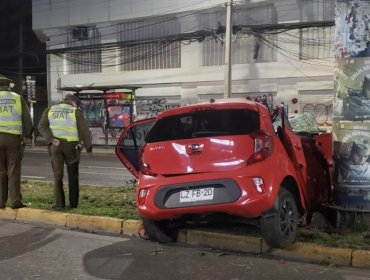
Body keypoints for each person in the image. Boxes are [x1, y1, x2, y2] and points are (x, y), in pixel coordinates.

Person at [38, 94, 92, 209]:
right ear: (73, 102)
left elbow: (41, 126)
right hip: (71, 147)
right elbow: (84, 131)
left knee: (57, 176)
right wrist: (88, 148)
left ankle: (59, 204)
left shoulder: (50, 110)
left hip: (55, 146)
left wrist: (51, 139)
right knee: (73, 175)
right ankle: (73, 204)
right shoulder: (75, 111)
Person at [0, 74, 33, 209]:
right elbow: (27, 121)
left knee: (0, 171)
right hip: (13, 139)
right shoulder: (17, 98)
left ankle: (1, 202)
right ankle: (15, 202)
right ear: (8, 86)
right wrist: (27, 135)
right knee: (13, 170)